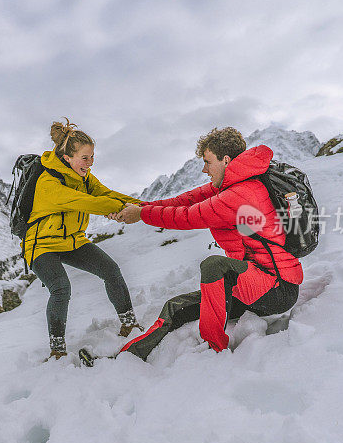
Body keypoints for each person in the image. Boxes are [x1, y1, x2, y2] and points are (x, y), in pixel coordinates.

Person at [113, 126, 302, 359]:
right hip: (249, 282)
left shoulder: (240, 194)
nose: (204, 169)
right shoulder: (230, 183)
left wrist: (140, 216)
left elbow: (188, 216)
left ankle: (215, 349)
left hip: (276, 289)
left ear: (225, 160)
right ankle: (126, 356)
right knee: (177, 306)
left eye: (207, 162)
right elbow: (186, 200)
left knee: (214, 266)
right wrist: (139, 208)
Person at [26, 119, 144, 360]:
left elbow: (106, 194)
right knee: (61, 288)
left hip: (72, 240)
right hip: (42, 245)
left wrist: (145, 207)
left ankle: (129, 324)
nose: (90, 163)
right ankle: (57, 350)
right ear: (68, 158)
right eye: (85, 158)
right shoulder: (49, 183)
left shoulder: (84, 178)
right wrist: (119, 210)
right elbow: (89, 203)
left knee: (111, 270)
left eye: (92, 157)